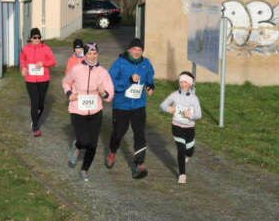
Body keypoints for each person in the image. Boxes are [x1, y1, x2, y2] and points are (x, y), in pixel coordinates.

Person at [62, 43, 114, 181]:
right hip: (77, 109)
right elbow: (65, 82)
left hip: (95, 111)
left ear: (97, 54)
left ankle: (84, 169)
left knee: (93, 143)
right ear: (85, 54)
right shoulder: (76, 69)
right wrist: (69, 94)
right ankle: (77, 145)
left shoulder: (103, 72)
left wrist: (103, 93)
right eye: (89, 53)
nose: (92, 56)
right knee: (84, 140)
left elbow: (110, 94)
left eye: (95, 53)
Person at [105, 38, 155, 179]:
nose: (137, 52)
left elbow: (150, 76)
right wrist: (128, 81)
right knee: (119, 132)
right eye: (134, 49)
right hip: (122, 105)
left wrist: (150, 86)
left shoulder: (146, 63)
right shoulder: (120, 63)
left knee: (139, 133)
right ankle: (112, 151)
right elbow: (110, 82)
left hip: (139, 105)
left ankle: (139, 164)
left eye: (139, 50)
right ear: (129, 50)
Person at [160, 71, 202, 184]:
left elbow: (199, 115)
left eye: (186, 82)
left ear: (190, 84)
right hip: (177, 126)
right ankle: (182, 174)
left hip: (189, 128)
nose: (183, 84)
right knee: (181, 149)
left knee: (190, 151)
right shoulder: (174, 95)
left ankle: (187, 156)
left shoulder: (194, 99)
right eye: (181, 82)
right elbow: (163, 105)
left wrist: (190, 115)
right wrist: (168, 109)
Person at [20, 28, 56, 137]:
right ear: (30, 38)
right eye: (35, 37)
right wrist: (23, 68)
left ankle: (35, 118)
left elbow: (53, 61)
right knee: (34, 102)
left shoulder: (46, 48)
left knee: (41, 104)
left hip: (43, 80)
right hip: (30, 80)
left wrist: (43, 63)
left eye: (39, 37)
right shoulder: (25, 49)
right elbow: (22, 59)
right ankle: (35, 126)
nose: (37, 39)